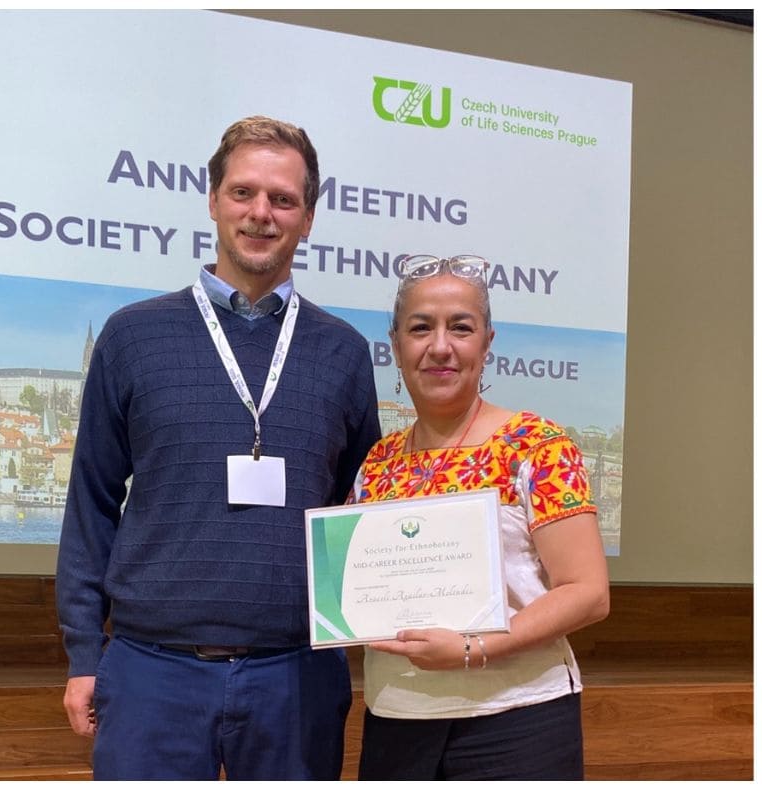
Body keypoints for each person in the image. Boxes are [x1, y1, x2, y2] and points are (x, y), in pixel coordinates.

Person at [55, 115, 381, 780]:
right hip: (152, 672)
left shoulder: (344, 353)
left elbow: (360, 512)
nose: (261, 213)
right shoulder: (131, 337)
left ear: (308, 218)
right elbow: (91, 504)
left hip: (296, 675)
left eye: (282, 199)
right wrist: (85, 654)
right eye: (243, 192)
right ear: (212, 200)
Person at [350, 254, 610, 781]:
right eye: (420, 328)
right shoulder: (376, 464)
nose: (440, 346)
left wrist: (473, 648)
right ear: (396, 345)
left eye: (461, 327)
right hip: (397, 717)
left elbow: (587, 592)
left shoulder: (538, 446)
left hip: (518, 720)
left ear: (487, 342)